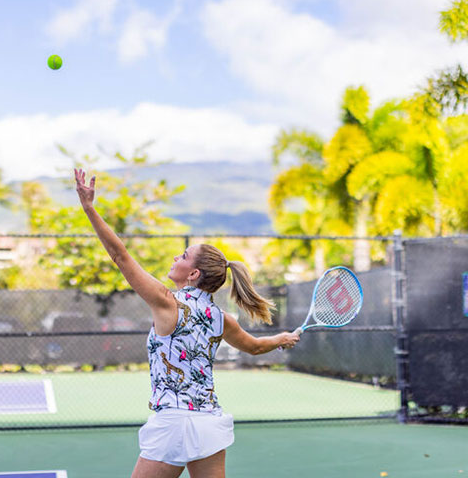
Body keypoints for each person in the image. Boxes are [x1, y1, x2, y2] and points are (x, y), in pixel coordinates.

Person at [74, 168, 300, 478]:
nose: (175, 258)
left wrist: (89, 209)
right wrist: (282, 338)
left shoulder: (168, 302)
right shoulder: (221, 319)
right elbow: (257, 347)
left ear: (193, 274)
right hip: (208, 421)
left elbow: (120, 255)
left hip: (175, 424)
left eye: (183, 256)